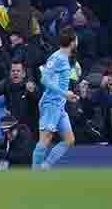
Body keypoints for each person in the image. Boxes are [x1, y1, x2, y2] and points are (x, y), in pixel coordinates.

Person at [32, 27, 78, 169]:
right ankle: (33, 173)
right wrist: (64, 93)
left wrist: (67, 95)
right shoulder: (56, 57)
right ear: (72, 42)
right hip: (50, 103)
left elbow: (57, 82)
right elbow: (44, 80)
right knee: (45, 139)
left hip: (60, 105)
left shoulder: (65, 59)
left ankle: (45, 167)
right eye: (76, 39)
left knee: (69, 140)